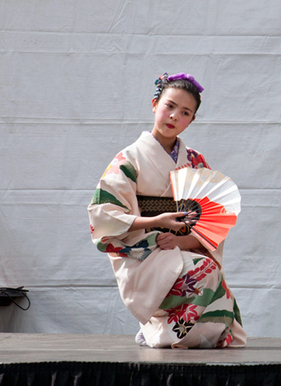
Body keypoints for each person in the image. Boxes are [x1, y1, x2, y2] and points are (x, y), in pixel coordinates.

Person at [88, 73, 246, 348]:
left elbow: (211, 223)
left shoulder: (195, 161)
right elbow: (103, 215)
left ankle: (160, 332)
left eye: (185, 112)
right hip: (144, 252)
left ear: (192, 120)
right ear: (154, 104)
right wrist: (154, 221)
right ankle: (159, 332)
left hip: (182, 246)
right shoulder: (128, 159)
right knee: (204, 271)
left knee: (220, 294)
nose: (174, 116)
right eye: (169, 106)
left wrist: (181, 240)